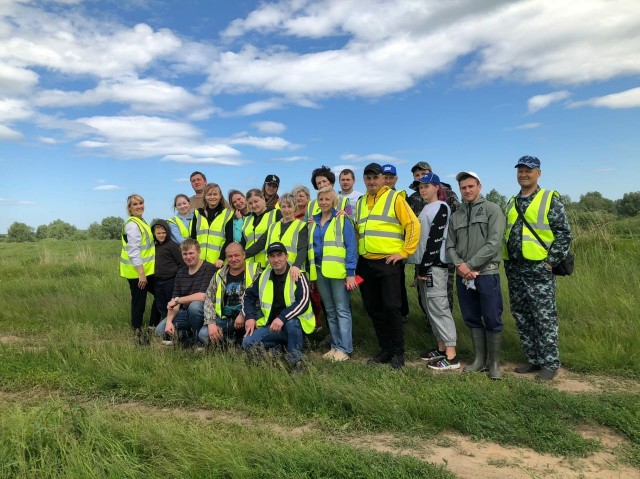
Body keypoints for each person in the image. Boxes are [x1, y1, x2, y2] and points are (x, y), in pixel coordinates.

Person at [503, 156, 573, 381]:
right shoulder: (512, 202)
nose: (524, 174)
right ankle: (533, 358)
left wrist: (550, 261)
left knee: (544, 316)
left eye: (528, 171)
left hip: (539, 268)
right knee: (522, 314)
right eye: (521, 170)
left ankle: (550, 363)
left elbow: (564, 233)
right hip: (515, 269)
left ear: (538, 173)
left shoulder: (549, 198)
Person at [355, 163, 420, 369]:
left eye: (376, 178)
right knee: (373, 307)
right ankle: (385, 349)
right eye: (368, 178)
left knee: (392, 307)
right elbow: (358, 231)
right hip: (365, 263)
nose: (372, 181)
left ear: (383, 179)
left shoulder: (394, 198)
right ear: (364, 180)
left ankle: (399, 352)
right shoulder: (360, 202)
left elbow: (412, 224)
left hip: (388, 263)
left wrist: (404, 252)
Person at [446, 171, 505, 379]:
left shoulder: (492, 209)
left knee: (491, 316)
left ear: (479, 186)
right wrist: (461, 266)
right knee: (471, 317)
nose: (467, 190)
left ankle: (495, 364)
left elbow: (494, 242)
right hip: (464, 276)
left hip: (487, 273)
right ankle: (479, 360)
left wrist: (470, 264)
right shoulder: (456, 216)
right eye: (463, 188)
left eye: (471, 186)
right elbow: (449, 246)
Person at [407, 174, 459, 370]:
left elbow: (435, 239)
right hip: (424, 265)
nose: (422, 190)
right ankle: (441, 347)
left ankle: (452, 355)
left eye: (426, 186)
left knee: (439, 308)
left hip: (435, 266)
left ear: (436, 187)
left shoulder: (442, 207)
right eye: (420, 187)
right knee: (430, 310)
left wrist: (426, 267)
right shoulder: (426, 208)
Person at [242, 242, 314, 367]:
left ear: (286, 256)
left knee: (292, 323)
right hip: (271, 325)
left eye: (279, 255)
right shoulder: (264, 275)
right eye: (272, 256)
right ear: (268, 259)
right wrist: (249, 317)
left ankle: (296, 361)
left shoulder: (297, 274)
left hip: (294, 324)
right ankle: (279, 347)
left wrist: (282, 318)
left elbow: (303, 301)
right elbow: (248, 296)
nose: (276, 260)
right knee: (247, 342)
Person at [308, 187, 358, 361]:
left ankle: (345, 348)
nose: (323, 202)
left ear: (333, 201)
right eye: (321, 199)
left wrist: (350, 272)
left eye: (327, 199)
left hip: (338, 271)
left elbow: (351, 247)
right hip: (320, 271)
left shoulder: (342, 219)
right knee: (329, 310)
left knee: (342, 310)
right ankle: (335, 346)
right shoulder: (313, 222)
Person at [408, 161, 460, 312]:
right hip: (422, 253)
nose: (419, 177)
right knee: (423, 292)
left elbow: (457, 220)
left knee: (442, 292)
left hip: (441, 253)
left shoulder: (448, 195)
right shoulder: (412, 198)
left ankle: (445, 327)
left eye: (423, 174)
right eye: (416, 175)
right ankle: (430, 325)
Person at [156, 239, 216, 346]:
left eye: (191, 253)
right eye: (185, 254)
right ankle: (186, 337)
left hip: (205, 312)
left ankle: (199, 342)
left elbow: (203, 296)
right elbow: (173, 302)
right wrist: (169, 321)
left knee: (195, 306)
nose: (188, 257)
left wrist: (178, 300)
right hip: (185, 312)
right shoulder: (181, 272)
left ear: (198, 252)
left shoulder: (208, 268)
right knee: (159, 331)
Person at [199, 242, 261, 348]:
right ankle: (228, 343)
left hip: (249, 318)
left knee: (254, 336)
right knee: (203, 334)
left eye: (236, 255)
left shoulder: (255, 272)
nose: (233, 259)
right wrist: (211, 323)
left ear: (244, 255)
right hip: (224, 319)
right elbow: (209, 298)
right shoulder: (219, 274)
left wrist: (243, 314)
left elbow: (260, 300)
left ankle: (241, 342)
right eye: (229, 256)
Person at [245, 193, 308, 281]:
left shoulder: (301, 226)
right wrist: (241, 256)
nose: (286, 210)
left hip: (293, 272)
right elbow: (259, 244)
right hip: (273, 271)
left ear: (295, 208)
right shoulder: (272, 227)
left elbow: (303, 249)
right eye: (283, 207)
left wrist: (296, 266)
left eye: (289, 206)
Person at [119, 194, 156, 343]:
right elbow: (133, 251)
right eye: (135, 204)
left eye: (141, 203)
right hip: (137, 273)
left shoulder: (141, 221)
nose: (139, 206)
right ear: (129, 208)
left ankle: (152, 326)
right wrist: (141, 274)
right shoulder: (133, 225)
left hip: (146, 270)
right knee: (138, 302)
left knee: (160, 295)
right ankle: (138, 333)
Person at [382, 163, 409, 321]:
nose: (387, 180)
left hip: (395, 252)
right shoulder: (374, 197)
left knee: (397, 287)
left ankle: (402, 316)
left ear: (396, 179)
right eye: (385, 177)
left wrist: (404, 251)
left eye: (390, 177)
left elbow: (409, 225)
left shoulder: (401, 196)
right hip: (377, 252)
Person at [190, 183, 234, 269]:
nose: (212, 197)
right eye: (209, 194)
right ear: (205, 197)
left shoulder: (227, 214)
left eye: (215, 194)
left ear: (220, 196)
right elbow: (193, 238)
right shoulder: (197, 213)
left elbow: (229, 239)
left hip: (218, 263)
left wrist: (221, 258)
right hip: (200, 261)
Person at [151, 219, 184, 333]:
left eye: (164, 233)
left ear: (168, 232)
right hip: (157, 282)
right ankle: (165, 329)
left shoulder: (173, 246)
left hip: (171, 281)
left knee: (171, 307)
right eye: (159, 233)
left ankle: (174, 329)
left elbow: (181, 263)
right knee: (160, 306)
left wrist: (178, 280)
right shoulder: (154, 247)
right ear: (154, 234)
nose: (161, 235)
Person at [242, 189, 282, 269]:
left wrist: (244, 255)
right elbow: (243, 242)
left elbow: (263, 240)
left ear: (263, 199)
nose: (253, 205)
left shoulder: (276, 214)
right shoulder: (246, 219)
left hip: (268, 264)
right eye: (250, 203)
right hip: (249, 265)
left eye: (256, 201)